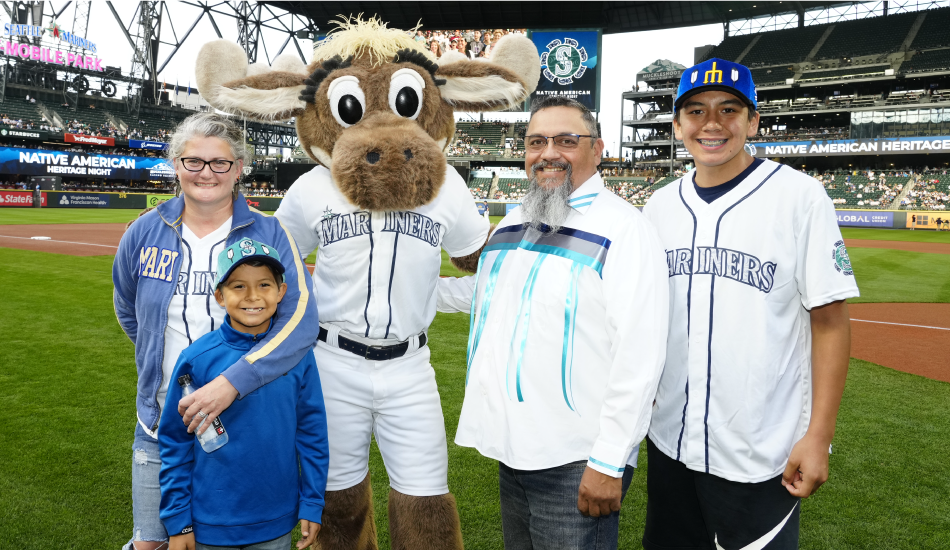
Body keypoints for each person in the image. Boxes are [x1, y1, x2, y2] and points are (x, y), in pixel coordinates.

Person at [641, 58, 859, 550]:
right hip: (669, 443)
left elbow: (830, 321)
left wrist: (819, 435)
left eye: (729, 109)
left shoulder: (800, 197)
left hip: (759, 452)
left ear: (753, 121)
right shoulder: (658, 206)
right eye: (695, 111)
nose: (712, 123)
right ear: (677, 126)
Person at [453, 95, 670, 549]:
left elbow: (641, 354)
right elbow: (491, 292)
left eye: (566, 140)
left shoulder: (625, 229)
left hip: (577, 458)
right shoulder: (518, 217)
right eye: (537, 141)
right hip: (514, 448)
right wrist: (411, 291)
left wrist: (610, 461)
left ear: (597, 148)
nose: (548, 152)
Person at [113, 112, 319, 550]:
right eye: (194, 161)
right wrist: (169, 363)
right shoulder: (143, 233)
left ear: (239, 168)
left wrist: (231, 381)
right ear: (176, 164)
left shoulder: (269, 231)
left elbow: (300, 320)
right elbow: (130, 310)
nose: (206, 172)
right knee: (152, 542)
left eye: (220, 163)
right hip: (159, 420)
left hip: (244, 418)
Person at [159, 239, 328, 550]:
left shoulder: (297, 356)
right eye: (238, 286)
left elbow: (312, 433)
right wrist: (177, 518)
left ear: (281, 292)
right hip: (209, 522)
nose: (253, 296)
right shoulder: (196, 358)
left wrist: (312, 501)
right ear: (220, 296)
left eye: (264, 284)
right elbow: (175, 441)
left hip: (275, 520)